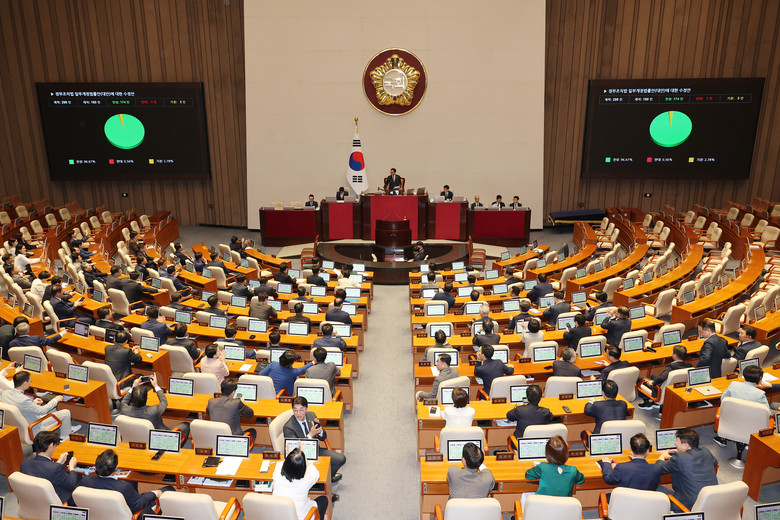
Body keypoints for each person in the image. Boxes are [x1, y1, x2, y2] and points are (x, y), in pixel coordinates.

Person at [79, 449, 173, 518]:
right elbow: (140, 503)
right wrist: (155, 493)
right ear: (116, 468)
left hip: (98, 515)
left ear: (96, 467)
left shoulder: (85, 480)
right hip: (129, 513)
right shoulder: (122, 487)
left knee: (132, 482)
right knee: (168, 489)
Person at [283, 396, 346, 483]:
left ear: (306, 409)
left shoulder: (311, 415)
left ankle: (327, 478)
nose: (298, 413)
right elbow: (295, 450)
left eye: (301, 410)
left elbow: (323, 437)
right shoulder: (288, 427)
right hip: (301, 457)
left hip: (316, 450)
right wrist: (310, 435)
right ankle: (318, 482)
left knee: (341, 459)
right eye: (295, 410)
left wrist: (319, 431)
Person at [656, 428, 718, 512]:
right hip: (710, 503)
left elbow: (658, 469)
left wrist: (662, 456)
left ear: (685, 445)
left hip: (688, 507)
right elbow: (715, 463)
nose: (676, 444)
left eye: (677, 442)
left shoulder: (679, 458)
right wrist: (681, 453)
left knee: (654, 487)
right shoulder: (706, 451)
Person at [1, 370, 77, 439]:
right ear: (24, 383)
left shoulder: (5, 393)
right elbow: (43, 410)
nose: (30, 382)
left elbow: (17, 404)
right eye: (30, 381)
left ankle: (67, 427)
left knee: (53, 409)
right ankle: (65, 436)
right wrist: (55, 400)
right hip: (34, 425)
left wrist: (33, 402)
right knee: (66, 412)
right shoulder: (24, 400)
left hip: (19, 424)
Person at [119, 375, 190, 443]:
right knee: (186, 425)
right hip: (160, 438)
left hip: (138, 439)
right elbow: (164, 402)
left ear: (132, 399)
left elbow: (123, 401)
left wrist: (133, 387)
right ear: (147, 398)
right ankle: (171, 446)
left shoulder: (125, 410)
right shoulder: (154, 410)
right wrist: (156, 386)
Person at [21, 430, 81, 504]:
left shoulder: (24, 464)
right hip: (58, 500)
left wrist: (57, 463)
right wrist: (72, 467)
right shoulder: (55, 468)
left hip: (35, 499)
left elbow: (44, 471)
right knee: (82, 479)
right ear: (51, 445)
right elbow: (73, 485)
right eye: (56, 445)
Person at [273, 448, 329, 520]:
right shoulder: (306, 481)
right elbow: (316, 473)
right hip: (300, 517)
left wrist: (290, 458)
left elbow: (280, 464)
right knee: (324, 500)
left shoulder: (277, 473)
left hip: (278, 516)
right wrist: (304, 459)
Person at [599, 433, 664, 491]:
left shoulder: (621, 467)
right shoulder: (656, 469)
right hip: (647, 500)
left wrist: (606, 462)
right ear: (647, 450)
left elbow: (609, 479)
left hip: (624, 500)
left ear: (630, 447)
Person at [637, 344, 691, 409]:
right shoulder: (689, 365)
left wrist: (653, 383)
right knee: (653, 376)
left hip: (661, 391)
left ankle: (646, 402)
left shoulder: (671, 366)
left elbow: (662, 377)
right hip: (675, 388)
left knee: (640, 379)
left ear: (675, 355)